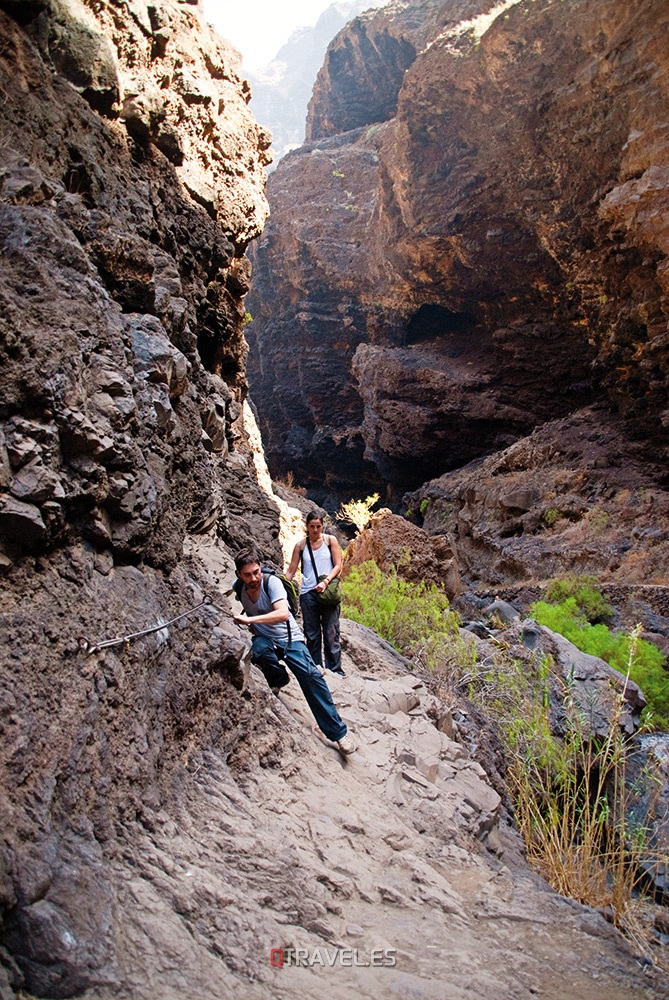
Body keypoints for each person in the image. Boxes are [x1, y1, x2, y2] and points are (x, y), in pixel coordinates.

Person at [232, 547, 356, 755]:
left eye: (256, 572)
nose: (253, 578)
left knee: (311, 677)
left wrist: (250, 620)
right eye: (247, 574)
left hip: (289, 638)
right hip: (265, 639)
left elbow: (281, 614)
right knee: (259, 651)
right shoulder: (240, 589)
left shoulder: (271, 583)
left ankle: (338, 734)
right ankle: (279, 679)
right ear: (239, 575)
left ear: (260, 568)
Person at [286, 511, 344, 676]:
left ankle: (335, 669)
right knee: (312, 633)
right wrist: (282, 583)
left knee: (331, 631)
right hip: (308, 593)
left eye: (318, 526)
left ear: (322, 526)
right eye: (312, 526)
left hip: (328, 592)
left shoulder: (330, 541)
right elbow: (292, 569)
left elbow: (338, 565)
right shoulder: (301, 546)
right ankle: (315, 668)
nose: (315, 530)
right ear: (307, 526)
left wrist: (325, 582)